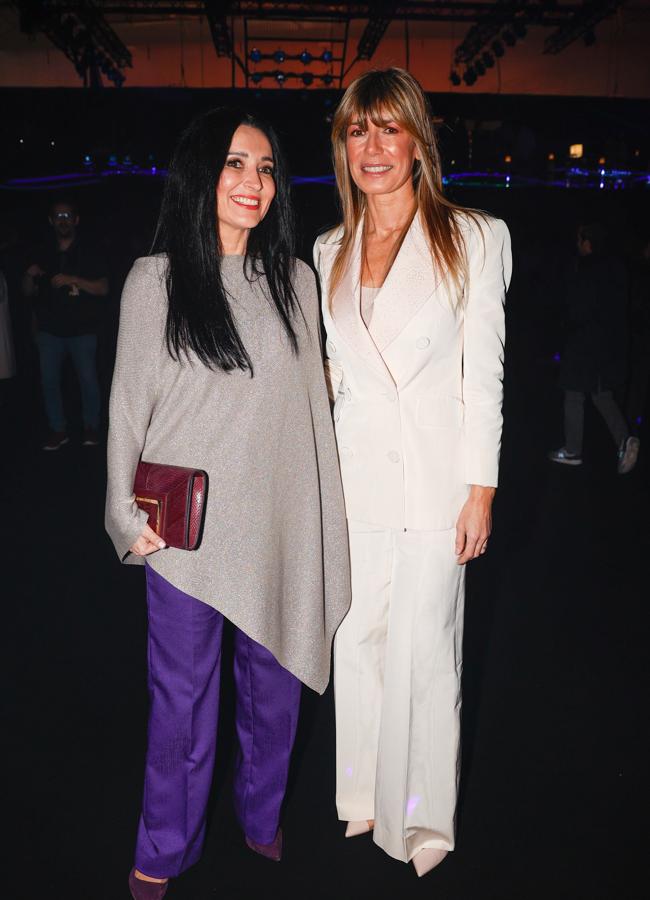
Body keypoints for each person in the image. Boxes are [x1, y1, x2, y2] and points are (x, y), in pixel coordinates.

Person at [105, 108, 350, 899]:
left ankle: (260, 813)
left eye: (268, 168)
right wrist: (121, 513)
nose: (254, 183)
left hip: (275, 529)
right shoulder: (158, 279)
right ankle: (164, 841)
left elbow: (314, 413)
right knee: (181, 707)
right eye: (236, 164)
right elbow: (128, 407)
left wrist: (324, 526)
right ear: (202, 174)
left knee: (274, 698)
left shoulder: (297, 283)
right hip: (186, 538)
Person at [313, 68, 512, 877]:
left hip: (436, 486)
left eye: (389, 129)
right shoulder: (327, 247)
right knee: (357, 642)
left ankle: (423, 821)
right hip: (354, 484)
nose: (373, 147)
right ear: (343, 147)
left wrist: (482, 487)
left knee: (427, 658)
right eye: (358, 131)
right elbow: (331, 381)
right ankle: (361, 794)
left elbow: (486, 375)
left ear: (418, 142)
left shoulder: (476, 235)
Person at [548, 223, 640, 473]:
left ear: (587, 241)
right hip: (608, 346)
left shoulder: (589, 269)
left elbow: (578, 309)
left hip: (585, 344)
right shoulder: (616, 267)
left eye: (578, 239)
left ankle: (573, 449)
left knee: (573, 393)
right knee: (601, 395)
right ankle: (624, 439)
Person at [22, 198, 108, 449]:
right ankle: (58, 429)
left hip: (82, 330)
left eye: (67, 215)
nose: (63, 220)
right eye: (58, 216)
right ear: (51, 221)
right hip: (49, 331)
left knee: (88, 381)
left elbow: (104, 288)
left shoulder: (90, 250)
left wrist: (74, 279)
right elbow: (27, 291)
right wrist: (28, 275)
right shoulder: (42, 252)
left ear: (76, 220)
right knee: (49, 382)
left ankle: (91, 427)